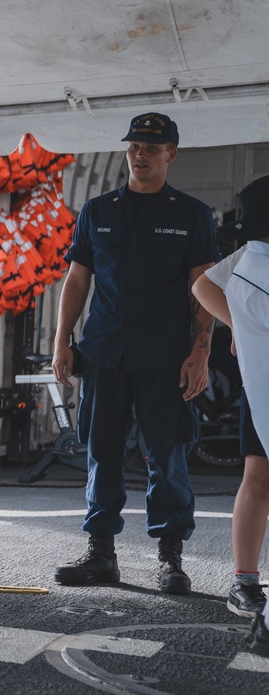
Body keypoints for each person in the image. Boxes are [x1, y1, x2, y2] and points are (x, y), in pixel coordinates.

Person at [51, 112, 220, 595]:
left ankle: (170, 559)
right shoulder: (98, 210)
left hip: (166, 356)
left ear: (171, 153)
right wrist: (63, 338)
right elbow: (78, 278)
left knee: (166, 455)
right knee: (102, 452)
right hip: (104, 352)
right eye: (134, 146)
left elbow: (201, 286)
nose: (140, 153)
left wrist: (200, 351)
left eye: (152, 146)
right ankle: (100, 553)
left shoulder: (191, 214)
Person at [192, 174, 269, 656]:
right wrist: (238, 324)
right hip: (262, 385)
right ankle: (245, 579)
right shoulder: (253, 259)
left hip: (260, 386)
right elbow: (202, 286)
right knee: (257, 478)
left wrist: (241, 322)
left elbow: (202, 285)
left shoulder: (250, 258)